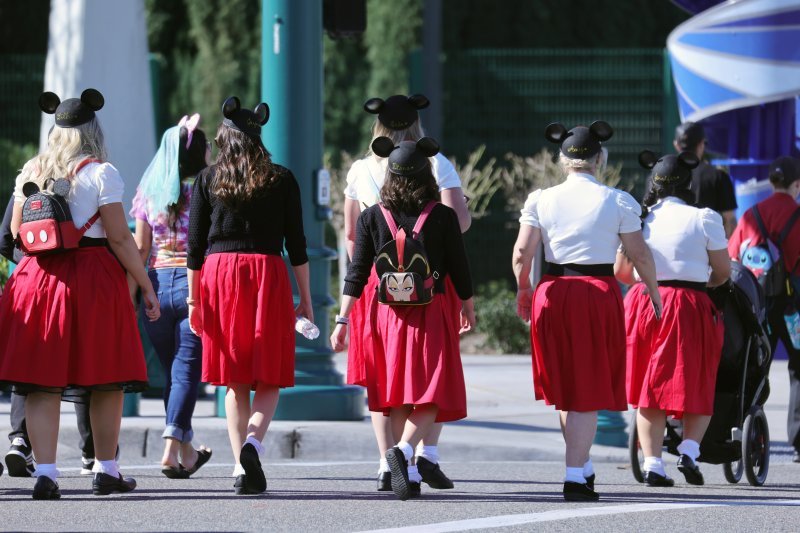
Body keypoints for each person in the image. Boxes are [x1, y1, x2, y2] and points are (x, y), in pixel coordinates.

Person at [0, 89, 159, 499]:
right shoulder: (102, 172)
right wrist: (144, 284)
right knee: (106, 378)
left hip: (37, 279)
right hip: (93, 278)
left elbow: (17, 234)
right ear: (93, 130)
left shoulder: (30, 170)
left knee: (41, 382)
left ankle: (47, 475)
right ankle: (106, 470)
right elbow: (122, 239)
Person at [512, 121, 660, 502]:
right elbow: (639, 253)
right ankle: (575, 475)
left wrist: (524, 288)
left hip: (552, 292)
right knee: (587, 389)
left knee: (567, 389)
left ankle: (583, 464)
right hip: (596, 293)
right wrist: (654, 292)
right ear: (599, 159)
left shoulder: (540, 199)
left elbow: (521, 253)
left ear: (563, 160)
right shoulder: (619, 200)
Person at [331, 136, 475, 501]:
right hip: (431, 309)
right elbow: (459, 266)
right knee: (432, 392)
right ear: (427, 173)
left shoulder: (371, 216)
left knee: (396, 395)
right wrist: (467, 306)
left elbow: (357, 272)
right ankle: (404, 452)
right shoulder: (442, 216)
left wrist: (342, 320)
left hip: (387, 315)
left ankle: (406, 475)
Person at [187, 96, 312, 496]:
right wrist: (305, 298)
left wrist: (194, 300)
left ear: (224, 137)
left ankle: (240, 466)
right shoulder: (281, 177)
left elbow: (193, 248)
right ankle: (253, 444)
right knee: (269, 373)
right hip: (268, 273)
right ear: (259, 138)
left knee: (234, 378)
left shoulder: (207, 180)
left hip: (219, 275)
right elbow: (298, 245)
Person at [616, 151, 730, 486]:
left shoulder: (639, 217)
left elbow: (622, 271)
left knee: (648, 385)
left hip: (642, 303)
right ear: (687, 183)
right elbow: (722, 272)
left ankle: (652, 463)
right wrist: (701, 283)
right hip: (688, 304)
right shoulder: (704, 217)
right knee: (697, 376)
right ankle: (690, 451)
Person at [131, 114, 212, 479]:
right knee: (185, 373)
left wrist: (141, 291)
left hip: (157, 285)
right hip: (196, 285)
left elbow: (140, 247)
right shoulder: (207, 189)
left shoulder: (148, 192)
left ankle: (187, 452)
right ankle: (170, 448)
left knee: (174, 371)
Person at [728, 156, 800, 463]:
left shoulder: (751, 215)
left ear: (772, 182)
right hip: (792, 308)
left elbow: (733, 257)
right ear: (796, 185)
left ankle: (746, 431)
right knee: (798, 370)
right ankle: (798, 440)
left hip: (756, 310)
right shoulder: (796, 215)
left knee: (755, 370)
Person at [673, 122, 737, 237]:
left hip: (668, 248)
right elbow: (729, 220)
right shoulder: (718, 176)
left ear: (676, 145)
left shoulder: (660, 177)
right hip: (706, 248)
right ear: (701, 144)